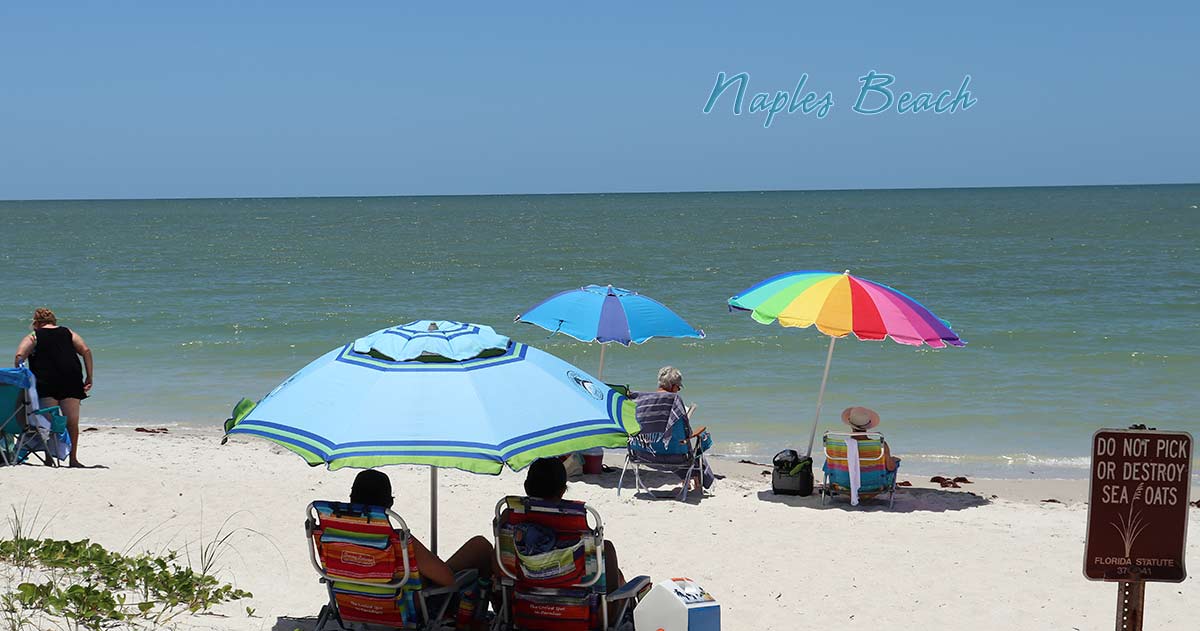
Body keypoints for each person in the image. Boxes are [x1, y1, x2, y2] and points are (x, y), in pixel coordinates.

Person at [349, 469, 494, 588]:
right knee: (480, 546)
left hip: (353, 604)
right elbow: (447, 579)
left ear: (351, 498)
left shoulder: (332, 537)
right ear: (390, 503)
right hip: (404, 610)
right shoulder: (399, 541)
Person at [520, 458, 626, 595]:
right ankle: (615, 608)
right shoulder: (573, 520)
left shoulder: (511, 517)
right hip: (576, 599)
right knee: (607, 551)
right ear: (563, 490)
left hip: (524, 595)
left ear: (526, 487)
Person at [13, 308, 92, 468]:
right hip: (71, 380)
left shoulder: (34, 335)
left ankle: (49, 460)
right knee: (72, 423)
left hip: (46, 381)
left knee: (48, 424)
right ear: (53, 321)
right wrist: (89, 376)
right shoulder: (68, 332)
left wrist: (23, 377)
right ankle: (73, 460)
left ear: (36, 323)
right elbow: (86, 350)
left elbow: (19, 356)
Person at [630, 366, 714, 493]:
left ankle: (688, 479)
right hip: (676, 458)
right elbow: (687, 433)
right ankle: (700, 481)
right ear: (673, 386)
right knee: (699, 439)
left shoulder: (641, 401)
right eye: (678, 387)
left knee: (673, 441)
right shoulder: (674, 401)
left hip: (642, 455)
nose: (678, 390)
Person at [841, 406, 898, 471]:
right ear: (868, 425)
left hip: (843, 480)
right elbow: (890, 468)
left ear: (851, 425)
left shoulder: (839, 446)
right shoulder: (881, 445)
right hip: (875, 479)